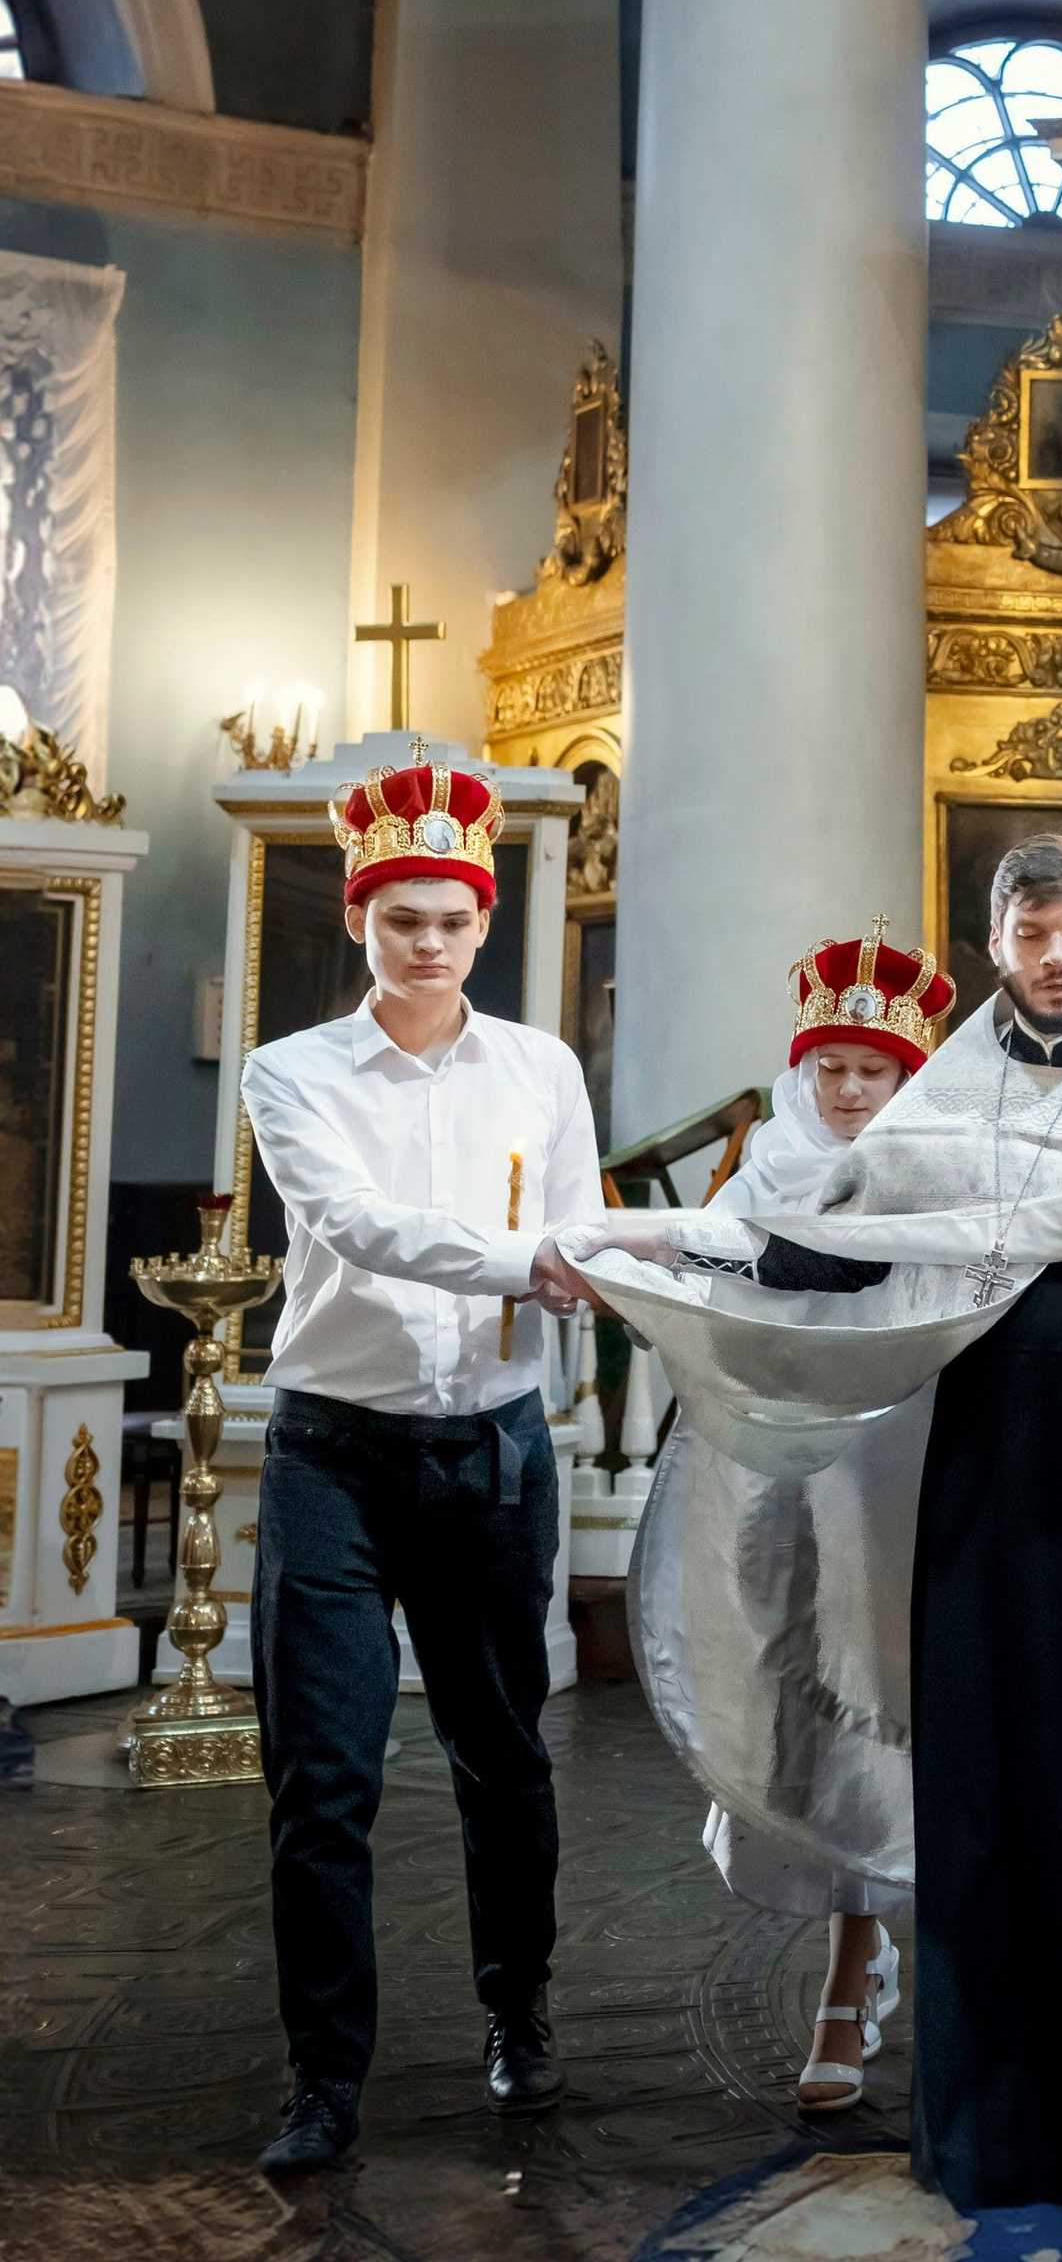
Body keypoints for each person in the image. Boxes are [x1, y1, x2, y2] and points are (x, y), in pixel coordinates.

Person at [574, 832, 1062, 2213]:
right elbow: (842, 1247)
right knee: (996, 1788)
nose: (1057, 955)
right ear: (999, 944)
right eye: (1033, 933)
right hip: (990, 1501)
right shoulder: (942, 1098)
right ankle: (1003, 2126)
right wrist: (651, 1244)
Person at [237, 760, 600, 2178]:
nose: (431, 945)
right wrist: (536, 1260)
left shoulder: (543, 1068)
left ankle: (520, 2013)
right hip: (335, 1450)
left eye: (452, 922)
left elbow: (581, 1224)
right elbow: (361, 1222)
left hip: (493, 1451)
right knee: (321, 1779)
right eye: (405, 923)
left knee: (504, 1759)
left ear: (483, 923)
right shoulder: (294, 1074)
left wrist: (638, 1270)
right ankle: (324, 2078)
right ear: (360, 922)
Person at [700, 926, 954, 2116]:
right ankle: (851, 1927)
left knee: (883, 1692)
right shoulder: (756, 1171)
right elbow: (718, 1293)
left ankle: (856, 1971)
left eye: (874, 1072)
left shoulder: (942, 1170)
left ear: (910, 1077)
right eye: (832, 1068)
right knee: (793, 1691)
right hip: (778, 1457)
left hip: (895, 1465)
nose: (849, 1092)